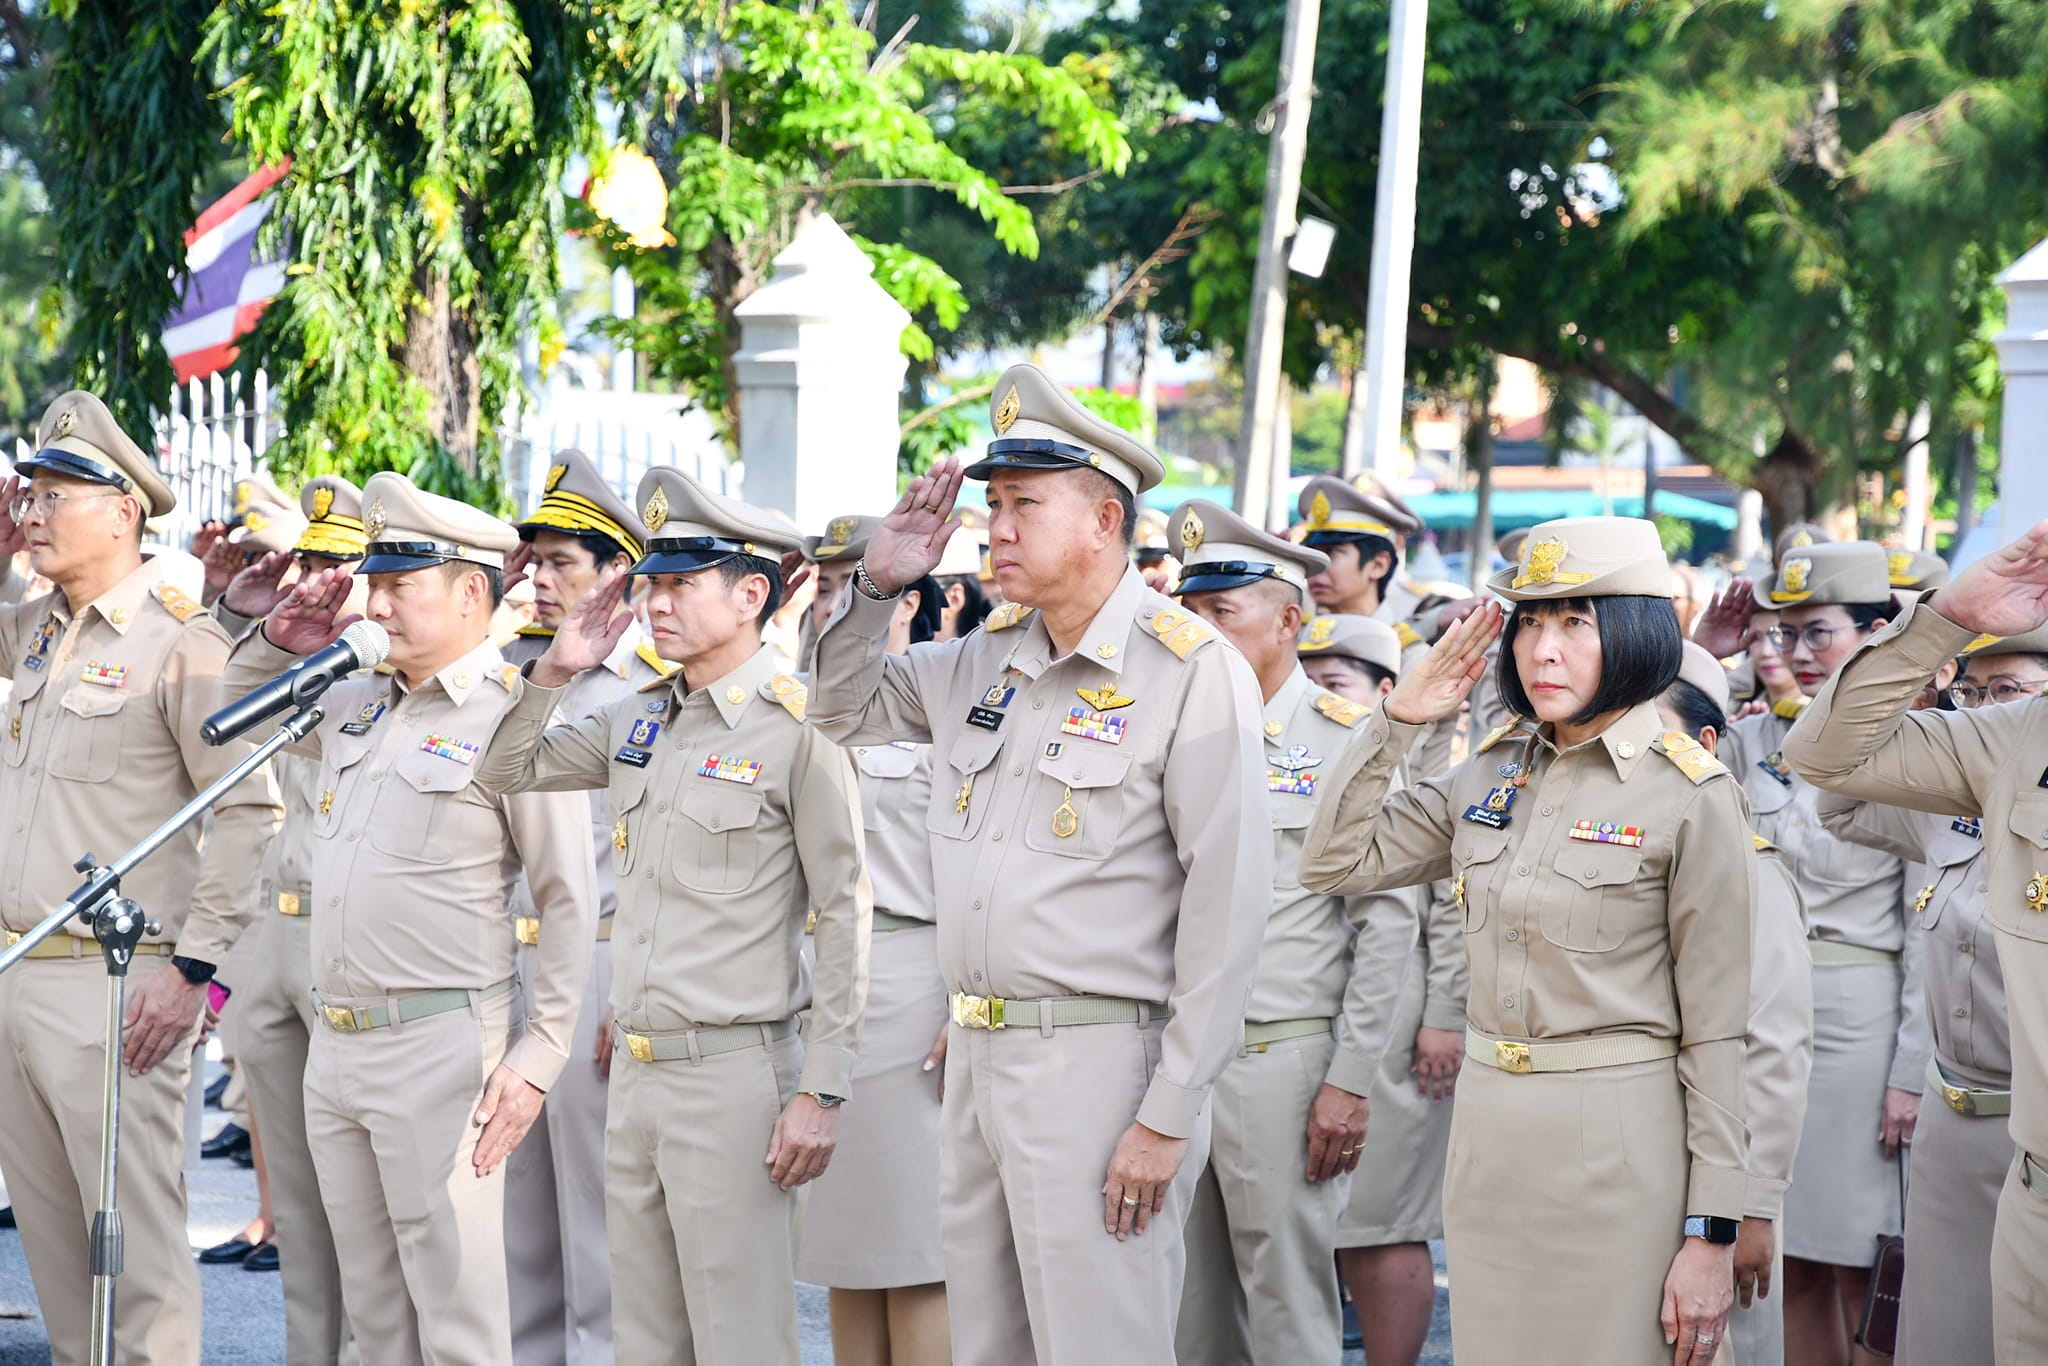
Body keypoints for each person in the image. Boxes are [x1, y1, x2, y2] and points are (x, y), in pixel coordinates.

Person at [809, 362, 1270, 1366]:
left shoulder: (1188, 670)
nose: (994, 529)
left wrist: (1165, 1115)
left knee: (1098, 1343)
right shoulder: (986, 655)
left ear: (1103, 520)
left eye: (1022, 505)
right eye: (991, 505)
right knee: (989, 1347)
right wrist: (879, 582)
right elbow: (836, 708)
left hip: (1101, 1067)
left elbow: (1227, 917)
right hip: (976, 1060)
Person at [1297, 516, 1755, 1364]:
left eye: (1576, 623)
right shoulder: (1493, 773)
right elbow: (1331, 859)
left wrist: (1712, 1231)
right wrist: (1398, 718)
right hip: (1490, 1140)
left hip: (1622, 1152)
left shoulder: (1690, 794)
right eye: (1531, 623)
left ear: (1636, 632)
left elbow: (1721, 1030)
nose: (1543, 651)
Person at [475, 466, 869, 1365]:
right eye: (651, 581)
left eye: (681, 583)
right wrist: (554, 670)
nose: (656, 602)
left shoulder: (799, 726)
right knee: (645, 1341)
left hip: (736, 1076)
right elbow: (501, 773)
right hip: (641, 1075)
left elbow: (845, 913)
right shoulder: (640, 717)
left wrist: (824, 1087)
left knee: (740, 1340)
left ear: (752, 593)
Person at [229, 472, 596, 1365]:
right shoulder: (356, 700)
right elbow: (236, 718)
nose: (377, 603)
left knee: (459, 1321)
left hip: (444, 1045)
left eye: (401, 585)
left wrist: (538, 1056)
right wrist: (274, 637)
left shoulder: (513, 715)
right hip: (340, 1044)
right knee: (375, 1318)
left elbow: (566, 897)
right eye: (375, 582)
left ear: (472, 592)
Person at [0, 391, 284, 1366]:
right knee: (55, 1256)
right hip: (21, 974)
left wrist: (192, 968)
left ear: (123, 510)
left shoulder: (183, 639)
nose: (31, 512)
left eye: (52, 495)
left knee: (140, 1268)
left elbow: (250, 810)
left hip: (118, 987)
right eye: (26, 494)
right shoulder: (39, 626)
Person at [1779, 521, 2048, 1361]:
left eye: (2007, 685)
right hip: (1969, 1122)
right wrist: (1942, 623)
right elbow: (1826, 760)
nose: (1988, 699)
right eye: (1981, 686)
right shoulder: (2018, 739)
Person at [1160, 502, 1421, 1366]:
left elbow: (1387, 934)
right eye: (1187, 614)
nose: (1198, 634)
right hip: (1170, 1064)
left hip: (1281, 1063)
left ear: (1289, 621)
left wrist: (1350, 1081)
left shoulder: (1346, 743)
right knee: (1188, 1309)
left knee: (1289, 1311)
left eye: (1220, 614)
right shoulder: (1166, 731)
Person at [1713, 542, 1926, 1366]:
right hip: (1759, 1007)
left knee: (1861, 1259)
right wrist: (1713, 655)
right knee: (1784, 1252)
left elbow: (1922, 926)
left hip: (1856, 1020)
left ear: (1876, 635)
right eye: (1785, 634)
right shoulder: (1756, 736)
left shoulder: (1913, 743)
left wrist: (1909, 1069)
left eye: (1820, 632)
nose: (1798, 653)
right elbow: (1660, 753)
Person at [498, 450, 668, 1366]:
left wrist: (634, 983)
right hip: (514, 964)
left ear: (619, 577)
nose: (538, 580)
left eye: (562, 562)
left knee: (600, 1228)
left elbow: (664, 856)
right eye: (534, 562)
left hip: (604, 965)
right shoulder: (519, 675)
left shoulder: (650, 687)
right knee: (521, 1223)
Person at [794, 514, 952, 1366]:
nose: (836, 599)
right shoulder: (799, 704)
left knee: (917, 1253)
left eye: (855, 581)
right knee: (845, 1253)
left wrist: (966, 995)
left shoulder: (948, 702)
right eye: (825, 584)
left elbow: (974, 873)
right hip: (821, 984)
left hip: (911, 981)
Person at [1299, 613, 1468, 1366]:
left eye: (1336, 682)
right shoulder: (1312, 755)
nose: (1317, 693)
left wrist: (1443, 1016)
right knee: (1333, 1220)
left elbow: (1452, 908)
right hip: (1324, 1006)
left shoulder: (1417, 766)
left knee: (1381, 1222)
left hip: (1397, 1018)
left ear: (1390, 690)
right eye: (1312, 677)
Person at [1660, 642, 1815, 1366]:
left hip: (1720, 1182)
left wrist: (1753, 1206)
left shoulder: (1746, 865)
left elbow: (1776, 1048)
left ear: (1707, 743)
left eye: (1650, 731)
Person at [1295, 475, 1455, 776]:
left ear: (1379, 564)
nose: (1317, 567)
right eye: (1313, 554)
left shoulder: (1412, 659)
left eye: (1332, 554)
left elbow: (1407, 766)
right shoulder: (1295, 638)